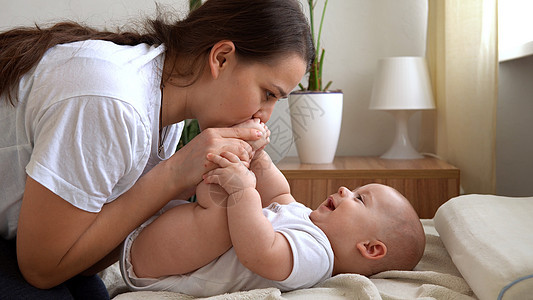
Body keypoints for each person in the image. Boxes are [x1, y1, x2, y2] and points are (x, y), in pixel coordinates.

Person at [0, 0, 313, 298]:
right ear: (221, 58)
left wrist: (181, 182)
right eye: (268, 94)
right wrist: (173, 175)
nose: (265, 116)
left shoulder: (166, 108)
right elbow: (40, 270)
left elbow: (83, 256)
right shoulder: (113, 102)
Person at [121, 128, 426, 297]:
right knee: (234, 195)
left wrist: (243, 192)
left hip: (161, 264)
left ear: (370, 248)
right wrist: (258, 156)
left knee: (227, 209)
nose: (346, 190)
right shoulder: (308, 222)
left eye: (360, 200)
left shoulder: (318, 257)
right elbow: (279, 193)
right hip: (167, 241)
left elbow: (260, 251)